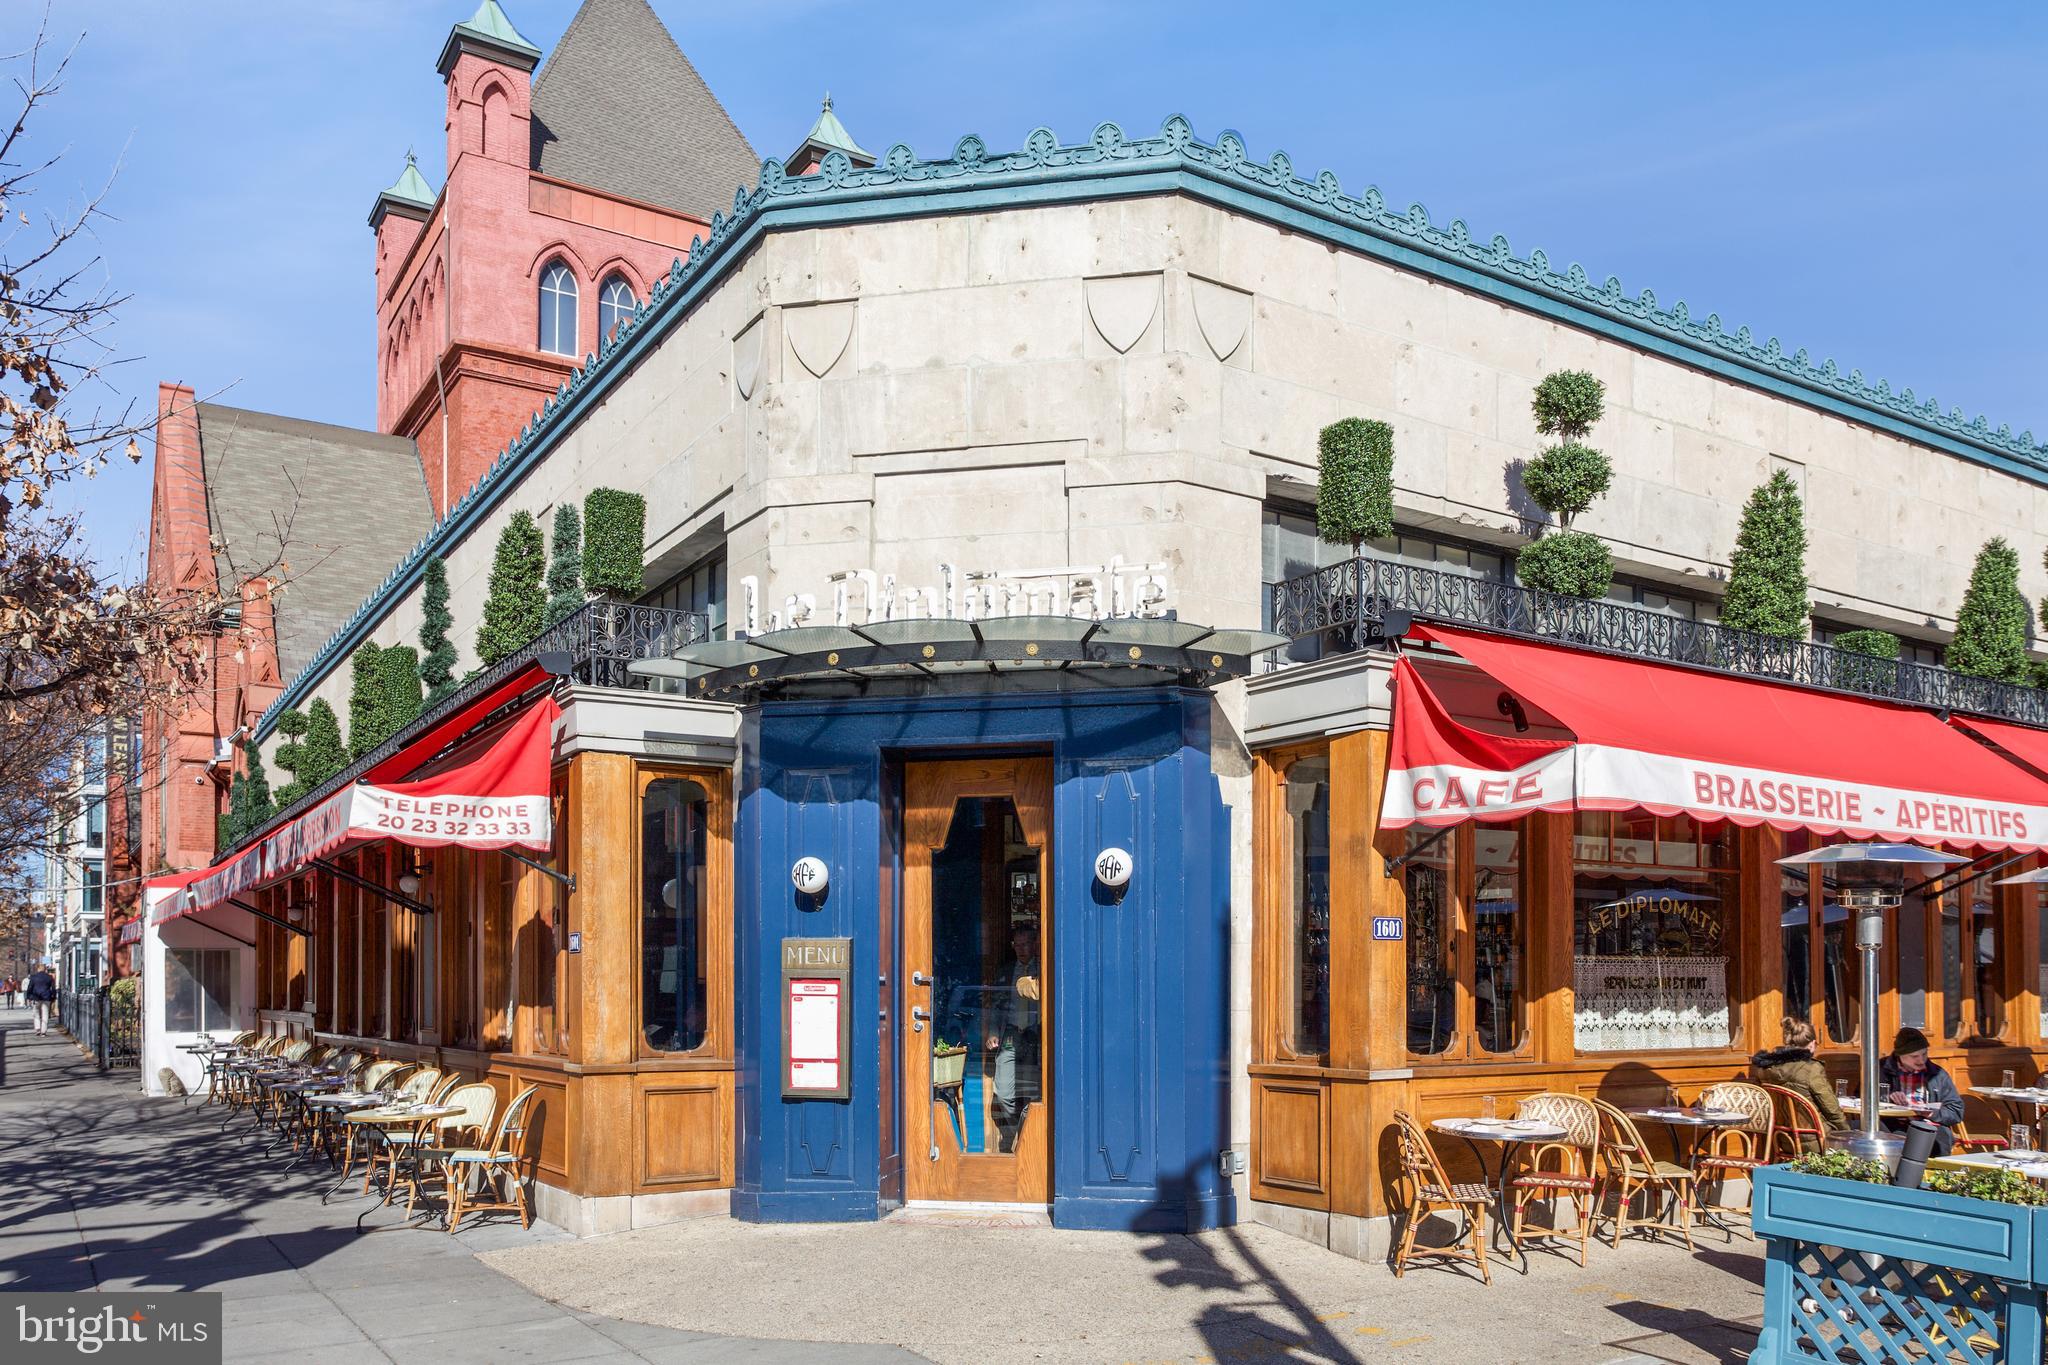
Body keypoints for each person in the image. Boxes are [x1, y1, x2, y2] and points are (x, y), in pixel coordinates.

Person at [984, 921, 1042, 1154]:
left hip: (1037, 1035)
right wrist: (993, 1031)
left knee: (1038, 1091)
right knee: (1004, 1091)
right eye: (1016, 944)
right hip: (1010, 1034)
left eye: (1026, 944)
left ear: (1035, 944)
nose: (1021, 949)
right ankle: (1020, 1130)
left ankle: (1031, 1141)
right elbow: (996, 1004)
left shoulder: (1043, 968)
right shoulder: (1007, 970)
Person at [1751, 1016, 1848, 1149]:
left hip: (1782, 1139)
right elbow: (1832, 1110)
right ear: (1812, 1043)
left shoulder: (1765, 1069)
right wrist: (1847, 1134)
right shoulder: (1811, 1069)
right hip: (1816, 1141)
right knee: (1865, 1130)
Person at [1880, 1025, 1965, 1155]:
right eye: (1914, 1056)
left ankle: (1937, 1173)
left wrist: (1931, 1114)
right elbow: (1862, 1100)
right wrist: (1887, 1097)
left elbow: (1956, 1110)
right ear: (1900, 1055)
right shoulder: (1881, 1070)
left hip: (1926, 1124)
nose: (1921, 1060)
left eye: (1924, 1054)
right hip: (1892, 1124)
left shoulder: (1937, 1074)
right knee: (1890, 1138)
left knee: (1939, 1138)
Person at [23, 962, 57, 1036]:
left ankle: (38, 1028)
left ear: (38, 969)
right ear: (45, 969)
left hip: (36, 997)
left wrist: (29, 997)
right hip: (46, 998)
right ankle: (43, 1031)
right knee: (45, 1014)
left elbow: (30, 988)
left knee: (36, 1013)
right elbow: (53, 988)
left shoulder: (33, 977)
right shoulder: (49, 977)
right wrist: (53, 997)